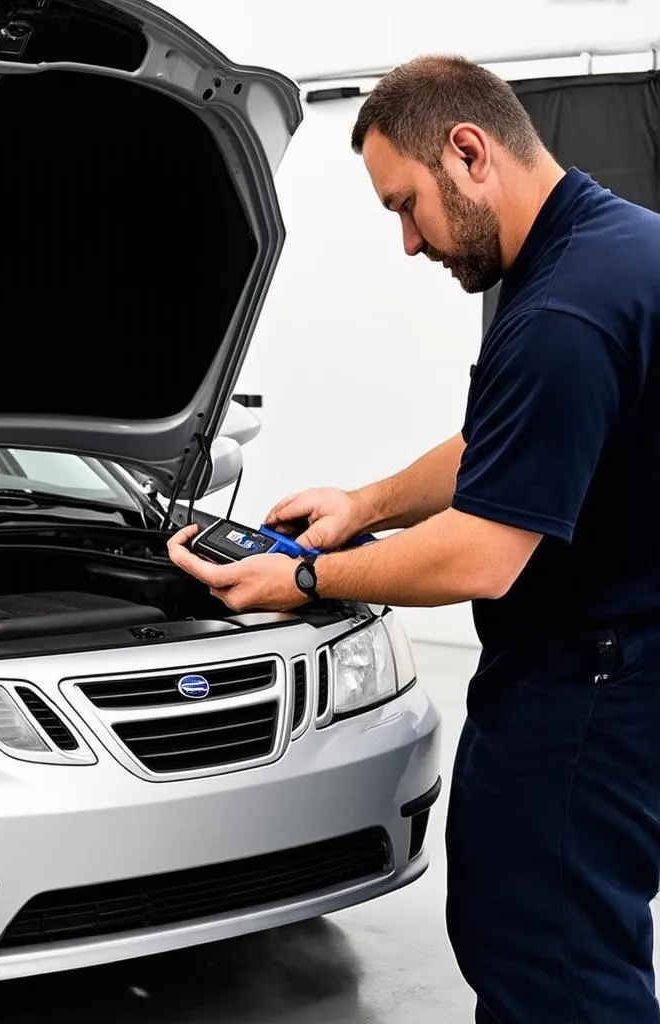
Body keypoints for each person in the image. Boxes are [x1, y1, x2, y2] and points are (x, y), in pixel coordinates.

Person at [167, 55, 660, 1024]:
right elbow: (502, 441)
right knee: (570, 937)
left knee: (548, 958)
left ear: (468, 151)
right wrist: (366, 502)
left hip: (585, 691)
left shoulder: (562, 307)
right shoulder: (615, 247)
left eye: (405, 204)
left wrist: (303, 577)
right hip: (622, 667)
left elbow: (482, 550)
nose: (405, 241)